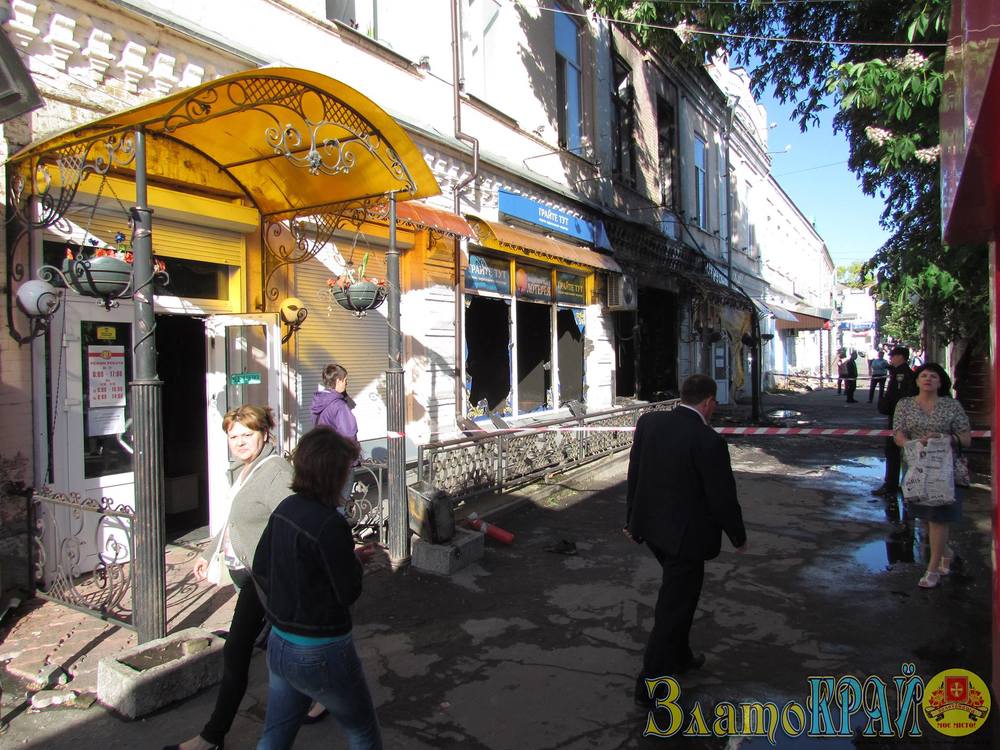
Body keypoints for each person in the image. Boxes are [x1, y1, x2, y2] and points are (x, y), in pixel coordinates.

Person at [165, 406, 292, 750]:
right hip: (250, 575)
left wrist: (276, 569)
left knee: (237, 651)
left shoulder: (275, 471)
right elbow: (234, 519)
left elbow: (292, 522)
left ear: (265, 433)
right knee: (285, 646)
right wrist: (208, 553)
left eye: (247, 434)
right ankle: (322, 695)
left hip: (263, 579)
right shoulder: (243, 468)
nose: (239, 442)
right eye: (233, 436)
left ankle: (211, 737)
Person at [252, 427, 382, 749]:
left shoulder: (286, 508)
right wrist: (353, 564)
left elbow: (263, 566)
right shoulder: (330, 523)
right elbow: (348, 591)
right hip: (321, 648)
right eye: (347, 470)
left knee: (275, 735)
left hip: (280, 641)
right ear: (332, 474)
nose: (350, 477)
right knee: (363, 732)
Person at [624, 374, 747, 703]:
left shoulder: (650, 423)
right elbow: (722, 497)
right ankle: (649, 686)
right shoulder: (708, 440)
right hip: (686, 540)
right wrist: (738, 536)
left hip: (653, 531)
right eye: (714, 403)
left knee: (682, 598)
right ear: (708, 402)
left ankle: (680, 656)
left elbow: (635, 471)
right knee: (674, 609)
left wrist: (631, 519)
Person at [893, 363, 971, 588]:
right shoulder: (905, 405)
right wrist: (912, 444)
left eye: (933, 376)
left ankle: (932, 569)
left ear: (940, 382)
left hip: (944, 469)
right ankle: (946, 553)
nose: (928, 379)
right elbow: (898, 434)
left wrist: (945, 438)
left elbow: (966, 438)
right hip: (916, 467)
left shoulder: (951, 406)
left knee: (939, 517)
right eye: (924, 375)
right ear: (917, 381)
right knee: (926, 517)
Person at [311, 363, 361, 503]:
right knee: (340, 501)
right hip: (340, 460)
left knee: (327, 498)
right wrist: (353, 458)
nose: (347, 383)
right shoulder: (339, 406)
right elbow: (349, 433)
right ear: (338, 381)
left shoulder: (319, 401)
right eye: (345, 380)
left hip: (323, 457)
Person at [872, 346, 918, 497]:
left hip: (898, 417)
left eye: (893, 356)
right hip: (901, 416)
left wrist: (885, 405)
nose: (890, 358)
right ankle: (901, 483)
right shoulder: (900, 372)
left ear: (900, 357)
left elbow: (897, 397)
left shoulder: (901, 374)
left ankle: (891, 484)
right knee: (897, 451)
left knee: (893, 451)